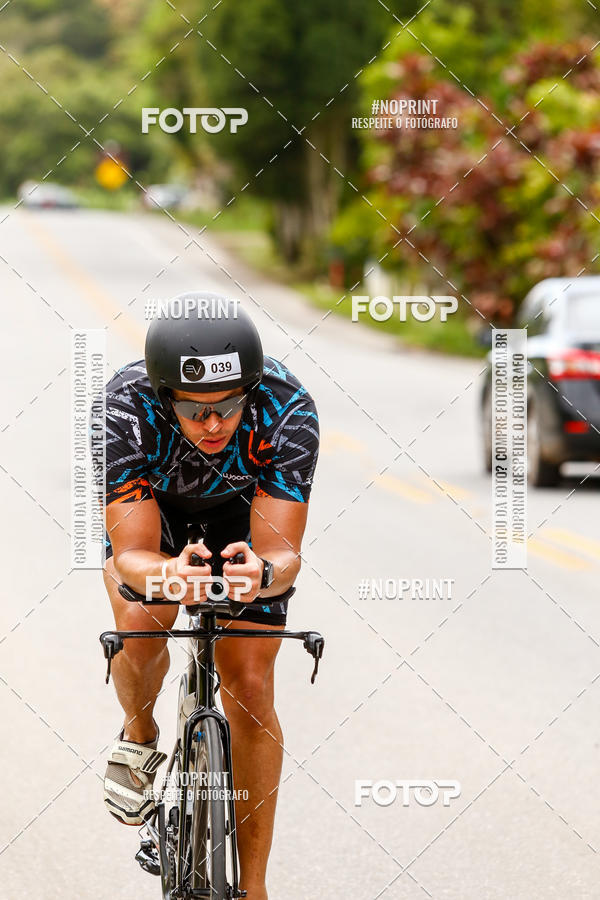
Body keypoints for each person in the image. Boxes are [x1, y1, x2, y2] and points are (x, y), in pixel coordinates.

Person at [101, 291, 319, 900]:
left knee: (250, 684)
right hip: (158, 521)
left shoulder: (287, 407)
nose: (214, 423)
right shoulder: (126, 407)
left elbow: (283, 552)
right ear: (165, 394)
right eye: (196, 410)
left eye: (228, 406)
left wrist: (262, 573)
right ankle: (140, 734)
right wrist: (171, 575)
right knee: (142, 631)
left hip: (243, 524)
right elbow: (132, 555)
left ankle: (253, 888)